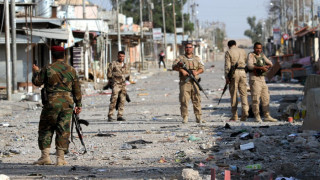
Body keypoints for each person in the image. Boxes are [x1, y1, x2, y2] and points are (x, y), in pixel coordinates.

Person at [32, 46, 82, 166]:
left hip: (51, 102)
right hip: (67, 103)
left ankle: (45, 157)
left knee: (46, 128)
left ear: (52, 56)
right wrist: (78, 104)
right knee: (63, 129)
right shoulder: (71, 69)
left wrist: (36, 72)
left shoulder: (48, 68)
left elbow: (37, 82)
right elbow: (77, 89)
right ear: (64, 55)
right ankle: (60, 159)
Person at [172, 43, 205, 123]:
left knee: (197, 99)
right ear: (185, 48)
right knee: (184, 100)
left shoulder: (197, 58)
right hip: (185, 82)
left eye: (190, 47)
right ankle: (185, 117)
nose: (188, 49)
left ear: (192, 48)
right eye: (186, 47)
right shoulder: (180, 58)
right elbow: (173, 66)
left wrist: (196, 72)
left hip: (194, 82)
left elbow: (202, 68)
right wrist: (181, 70)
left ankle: (199, 117)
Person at [247, 42, 277, 122]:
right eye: (257, 48)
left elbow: (270, 63)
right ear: (254, 48)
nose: (258, 50)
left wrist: (267, 66)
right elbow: (249, 66)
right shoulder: (251, 55)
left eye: (260, 48)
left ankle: (267, 115)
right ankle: (257, 116)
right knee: (255, 98)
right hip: (254, 79)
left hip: (262, 79)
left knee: (266, 97)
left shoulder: (262, 55)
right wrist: (260, 67)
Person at [225, 40, 249, 121]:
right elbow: (246, 61)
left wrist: (227, 77)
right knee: (243, 93)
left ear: (229, 46)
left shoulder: (229, 52)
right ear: (235, 44)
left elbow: (227, 66)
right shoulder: (242, 51)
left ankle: (234, 115)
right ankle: (245, 111)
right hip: (243, 72)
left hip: (234, 74)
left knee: (234, 94)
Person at [107, 51, 129, 121]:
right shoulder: (113, 64)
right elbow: (109, 74)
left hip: (123, 85)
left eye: (123, 56)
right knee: (114, 99)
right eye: (120, 56)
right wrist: (112, 81)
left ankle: (120, 115)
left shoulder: (125, 65)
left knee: (122, 100)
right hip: (116, 84)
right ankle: (110, 115)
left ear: (124, 57)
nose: (121, 58)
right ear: (117, 56)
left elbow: (127, 74)